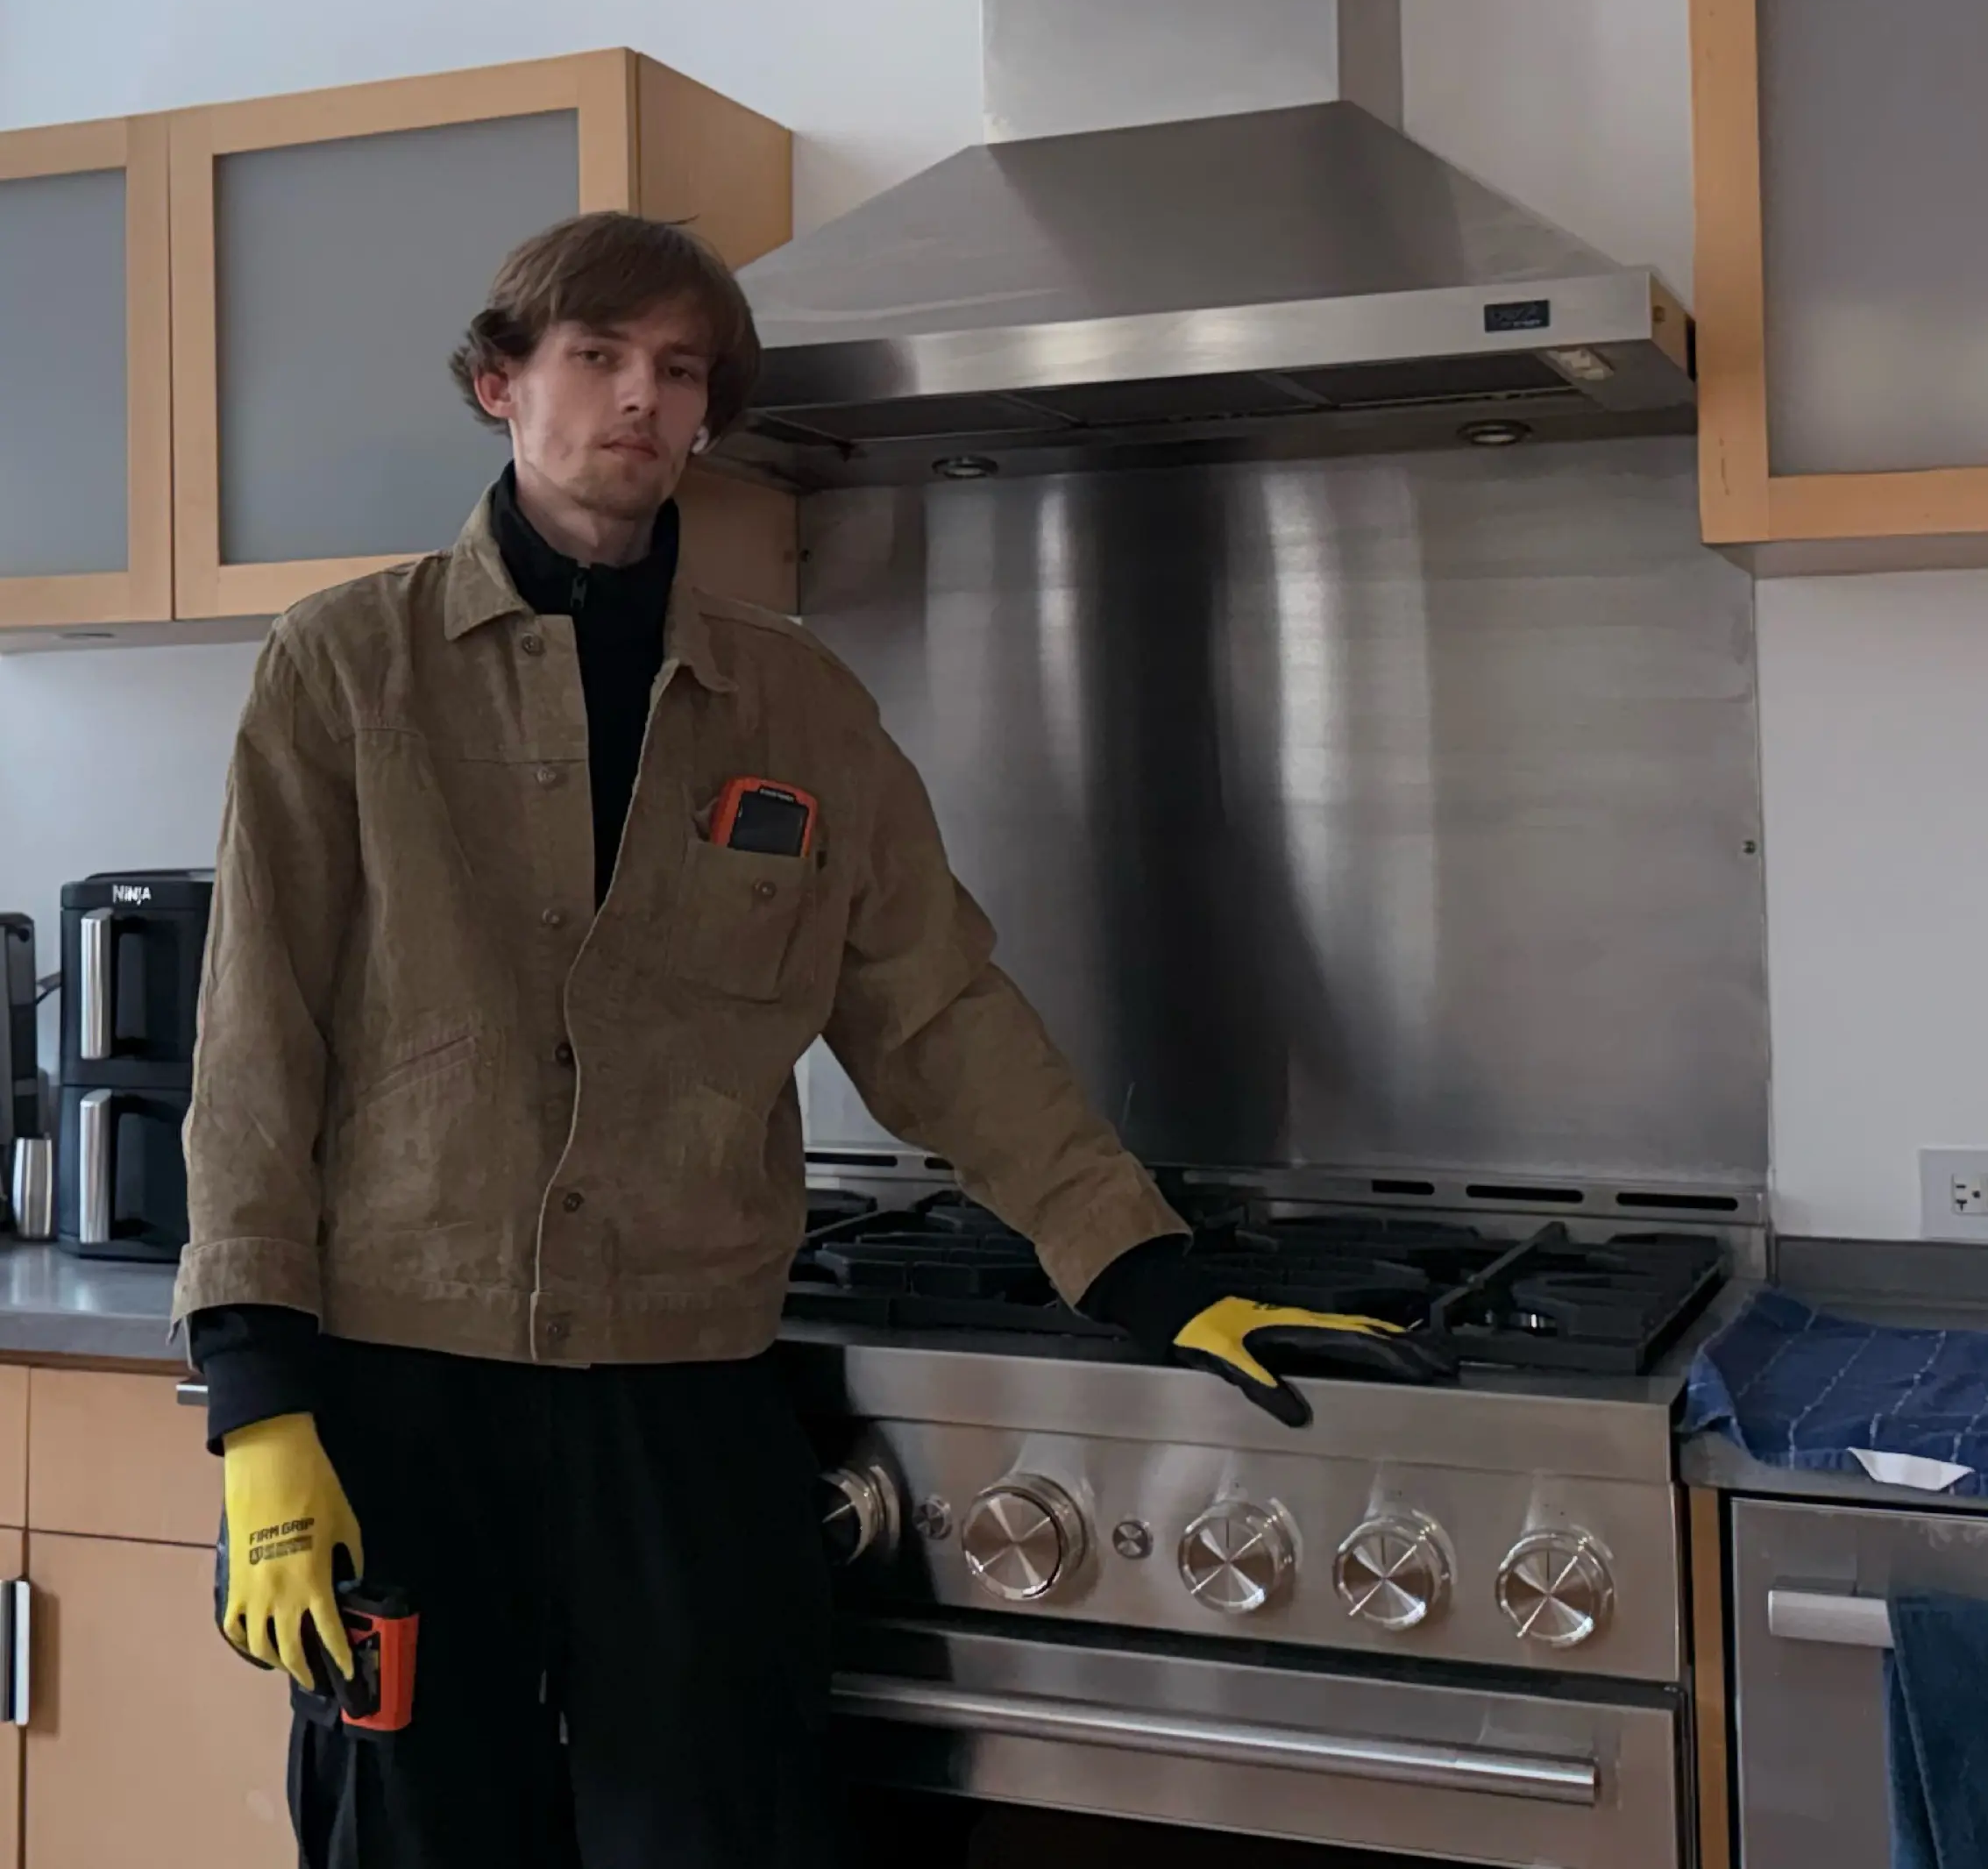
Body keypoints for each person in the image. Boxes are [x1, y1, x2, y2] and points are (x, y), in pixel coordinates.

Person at [173, 210, 1447, 1869]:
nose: (641, 398)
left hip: (688, 1398)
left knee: (717, 1830)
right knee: (417, 1836)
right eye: (597, 358)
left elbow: (936, 1007)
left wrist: (1145, 1265)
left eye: (679, 371)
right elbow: (257, 1030)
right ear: (500, 383)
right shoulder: (345, 670)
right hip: (402, 1399)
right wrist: (261, 1405)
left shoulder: (798, 709)